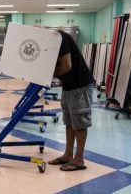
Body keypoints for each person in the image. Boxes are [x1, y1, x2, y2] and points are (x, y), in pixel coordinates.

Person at [48, 30, 95, 171]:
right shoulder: (48, 44)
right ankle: (68, 155)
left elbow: (66, 66)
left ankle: (79, 159)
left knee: (79, 122)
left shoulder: (60, 38)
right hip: (68, 85)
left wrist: (49, 74)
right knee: (69, 122)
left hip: (80, 84)